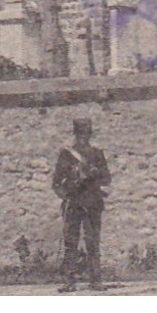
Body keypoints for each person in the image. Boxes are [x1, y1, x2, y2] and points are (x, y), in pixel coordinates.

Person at [52, 117, 110, 291]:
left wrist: (95, 173)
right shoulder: (66, 155)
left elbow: (107, 179)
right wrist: (66, 195)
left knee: (93, 242)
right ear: (75, 134)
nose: (83, 137)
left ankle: (95, 280)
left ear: (90, 134)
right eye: (80, 133)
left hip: (92, 202)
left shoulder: (97, 154)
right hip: (74, 203)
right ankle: (69, 281)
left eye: (86, 133)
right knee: (71, 243)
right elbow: (56, 183)